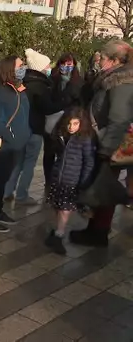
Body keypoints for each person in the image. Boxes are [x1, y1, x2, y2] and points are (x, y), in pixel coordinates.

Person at [71, 40, 133, 247]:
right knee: (100, 186)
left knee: (104, 187)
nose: (100, 62)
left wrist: (106, 149)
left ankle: (98, 232)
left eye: (104, 58)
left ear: (115, 60)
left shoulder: (122, 81)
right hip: (102, 139)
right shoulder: (111, 78)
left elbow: (119, 118)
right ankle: (94, 229)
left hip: (109, 144)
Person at [0, 56, 31, 233]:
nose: (22, 68)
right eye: (19, 65)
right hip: (2, 145)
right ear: (10, 68)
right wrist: (8, 134)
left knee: (3, 180)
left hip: (16, 145)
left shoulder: (19, 89)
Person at [4, 49, 61, 204]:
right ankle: (22, 195)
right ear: (41, 67)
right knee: (29, 163)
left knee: (18, 162)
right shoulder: (41, 86)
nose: (50, 68)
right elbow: (47, 108)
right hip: (35, 129)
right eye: (48, 65)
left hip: (20, 128)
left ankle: (7, 191)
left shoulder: (22, 83)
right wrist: (64, 102)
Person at [45, 108, 95, 255]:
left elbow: (89, 162)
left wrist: (84, 182)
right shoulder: (61, 136)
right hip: (58, 178)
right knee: (57, 206)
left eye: (75, 123)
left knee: (65, 209)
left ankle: (59, 234)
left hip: (72, 181)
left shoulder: (84, 139)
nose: (71, 127)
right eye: (69, 123)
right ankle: (56, 232)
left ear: (81, 124)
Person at [46, 53, 84, 190]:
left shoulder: (78, 81)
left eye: (70, 64)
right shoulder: (52, 79)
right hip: (53, 119)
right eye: (64, 64)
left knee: (65, 151)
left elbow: (80, 101)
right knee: (49, 152)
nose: (67, 67)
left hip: (69, 120)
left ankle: (63, 180)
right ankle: (49, 181)